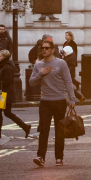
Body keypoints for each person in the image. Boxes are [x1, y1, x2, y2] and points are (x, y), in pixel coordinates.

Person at [30, 38, 77, 166]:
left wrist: (72, 99)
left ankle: (59, 157)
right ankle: (41, 157)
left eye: (46, 48)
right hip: (45, 101)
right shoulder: (38, 65)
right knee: (44, 130)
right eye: (42, 48)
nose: (44, 50)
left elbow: (68, 81)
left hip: (60, 101)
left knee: (59, 130)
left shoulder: (61, 63)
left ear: (52, 50)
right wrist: (41, 73)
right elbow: (31, 82)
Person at [0, 50, 31, 138]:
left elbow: (6, 81)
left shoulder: (7, 67)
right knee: (7, 113)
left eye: (0, 56)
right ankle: (25, 126)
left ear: (4, 57)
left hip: (4, 94)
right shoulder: (3, 66)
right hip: (4, 94)